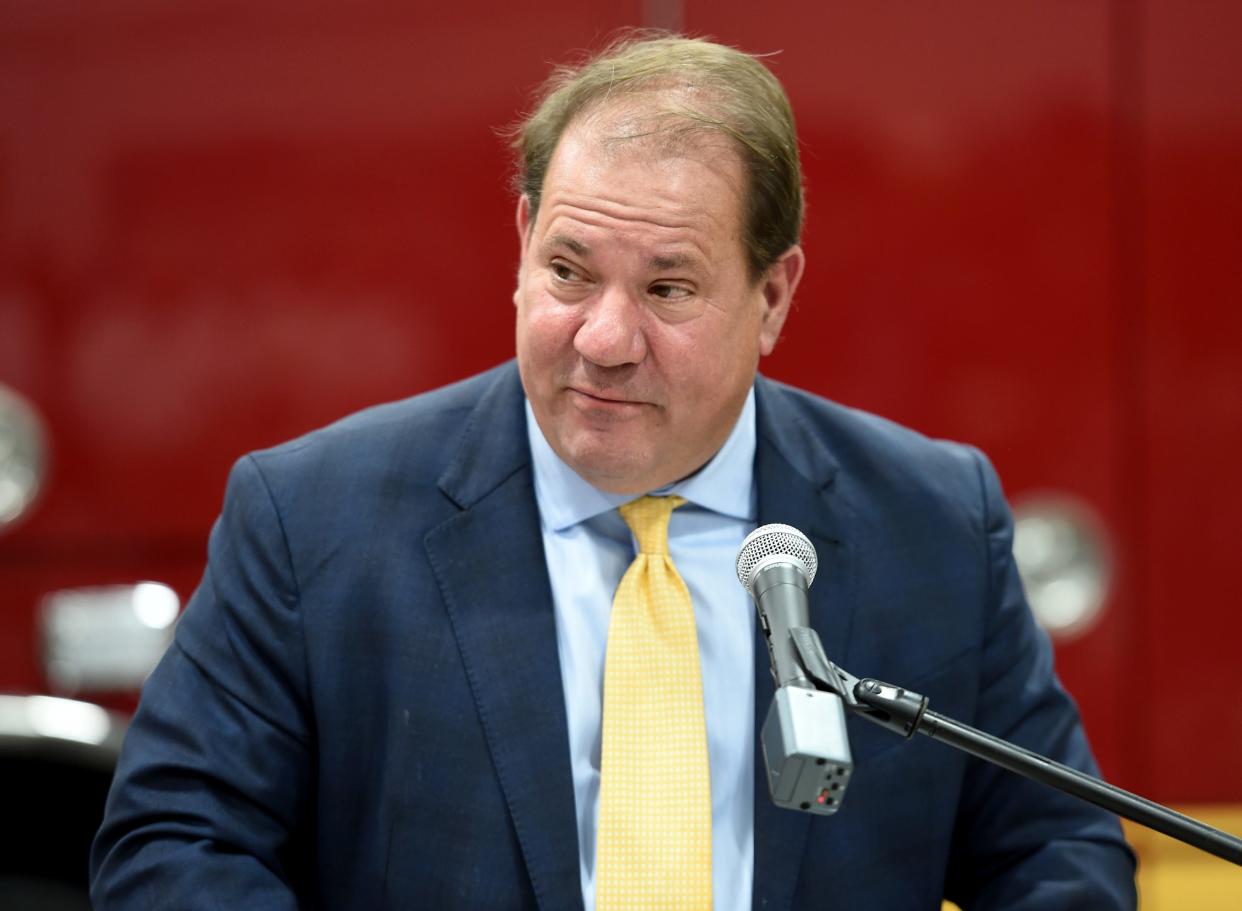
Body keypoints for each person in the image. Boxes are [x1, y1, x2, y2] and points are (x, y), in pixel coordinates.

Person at [90, 33, 1137, 910]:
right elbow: (173, 847)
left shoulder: (933, 524)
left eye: (668, 288)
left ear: (774, 296)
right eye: (567, 270)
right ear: (520, 242)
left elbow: (1062, 854)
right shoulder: (313, 519)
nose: (602, 337)